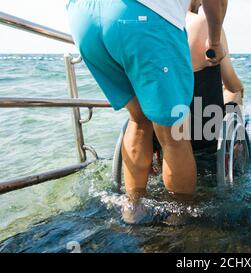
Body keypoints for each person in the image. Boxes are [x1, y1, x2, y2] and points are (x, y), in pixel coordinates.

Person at [66, 0, 228, 222]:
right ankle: (178, 224)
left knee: (139, 118)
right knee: (172, 134)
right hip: (141, 16)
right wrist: (215, 40)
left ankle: (133, 212)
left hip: (83, 16)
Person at [186, 0, 244, 151]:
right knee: (235, 91)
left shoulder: (155, 26)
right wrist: (239, 88)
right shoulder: (206, 24)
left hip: (162, 125)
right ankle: (235, 149)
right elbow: (232, 85)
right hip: (204, 131)